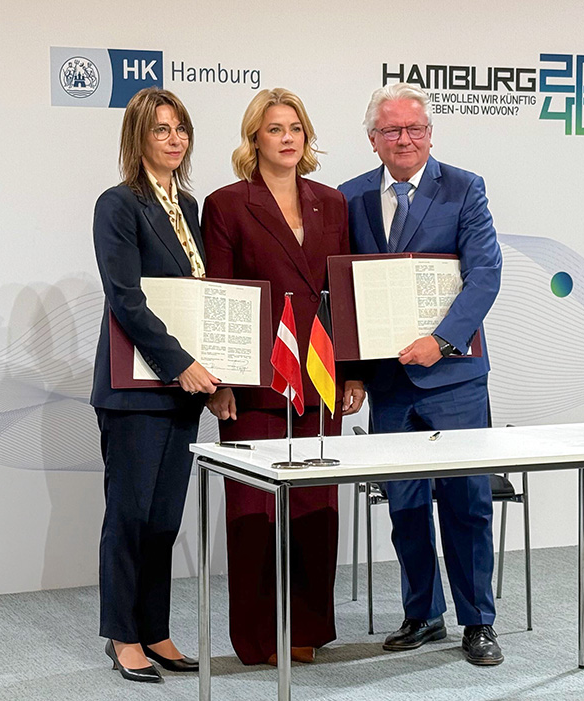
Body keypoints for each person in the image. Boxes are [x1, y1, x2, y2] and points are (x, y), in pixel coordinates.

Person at [338, 83, 504, 666]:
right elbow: (343, 290)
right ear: (373, 139)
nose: (404, 139)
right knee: (405, 504)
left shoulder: (464, 188)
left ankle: (478, 621)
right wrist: (352, 372)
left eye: (414, 129)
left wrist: (442, 340)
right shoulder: (349, 197)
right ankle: (423, 614)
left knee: (466, 503)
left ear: (430, 134)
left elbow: (485, 275)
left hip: (454, 376)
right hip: (388, 382)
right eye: (391, 130)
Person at [201, 87, 366, 666]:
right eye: (275, 128)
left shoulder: (332, 203)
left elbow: (342, 292)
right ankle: (259, 636)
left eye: (295, 128)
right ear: (255, 138)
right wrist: (220, 382)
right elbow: (220, 298)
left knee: (316, 514)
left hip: (320, 380)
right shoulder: (226, 204)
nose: (288, 138)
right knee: (254, 515)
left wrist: (352, 373)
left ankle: (306, 630)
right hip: (255, 386)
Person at [90, 87, 219, 684]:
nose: (174, 139)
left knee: (165, 518)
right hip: (135, 387)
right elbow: (127, 300)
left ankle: (156, 628)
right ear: (137, 138)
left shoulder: (187, 206)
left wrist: (211, 377)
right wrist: (180, 363)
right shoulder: (118, 204)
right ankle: (123, 635)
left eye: (180, 128)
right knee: (130, 517)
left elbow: (199, 299)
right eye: (161, 129)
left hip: (182, 390)